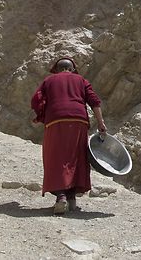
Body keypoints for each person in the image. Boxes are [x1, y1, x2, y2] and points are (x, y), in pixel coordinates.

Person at [30, 57, 107, 214]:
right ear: (72, 69)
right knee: (76, 157)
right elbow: (94, 101)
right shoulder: (81, 80)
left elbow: (36, 100)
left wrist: (41, 116)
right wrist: (101, 123)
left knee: (56, 157)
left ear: (57, 70)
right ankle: (72, 197)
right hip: (78, 121)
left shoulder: (49, 81)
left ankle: (61, 196)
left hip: (55, 120)